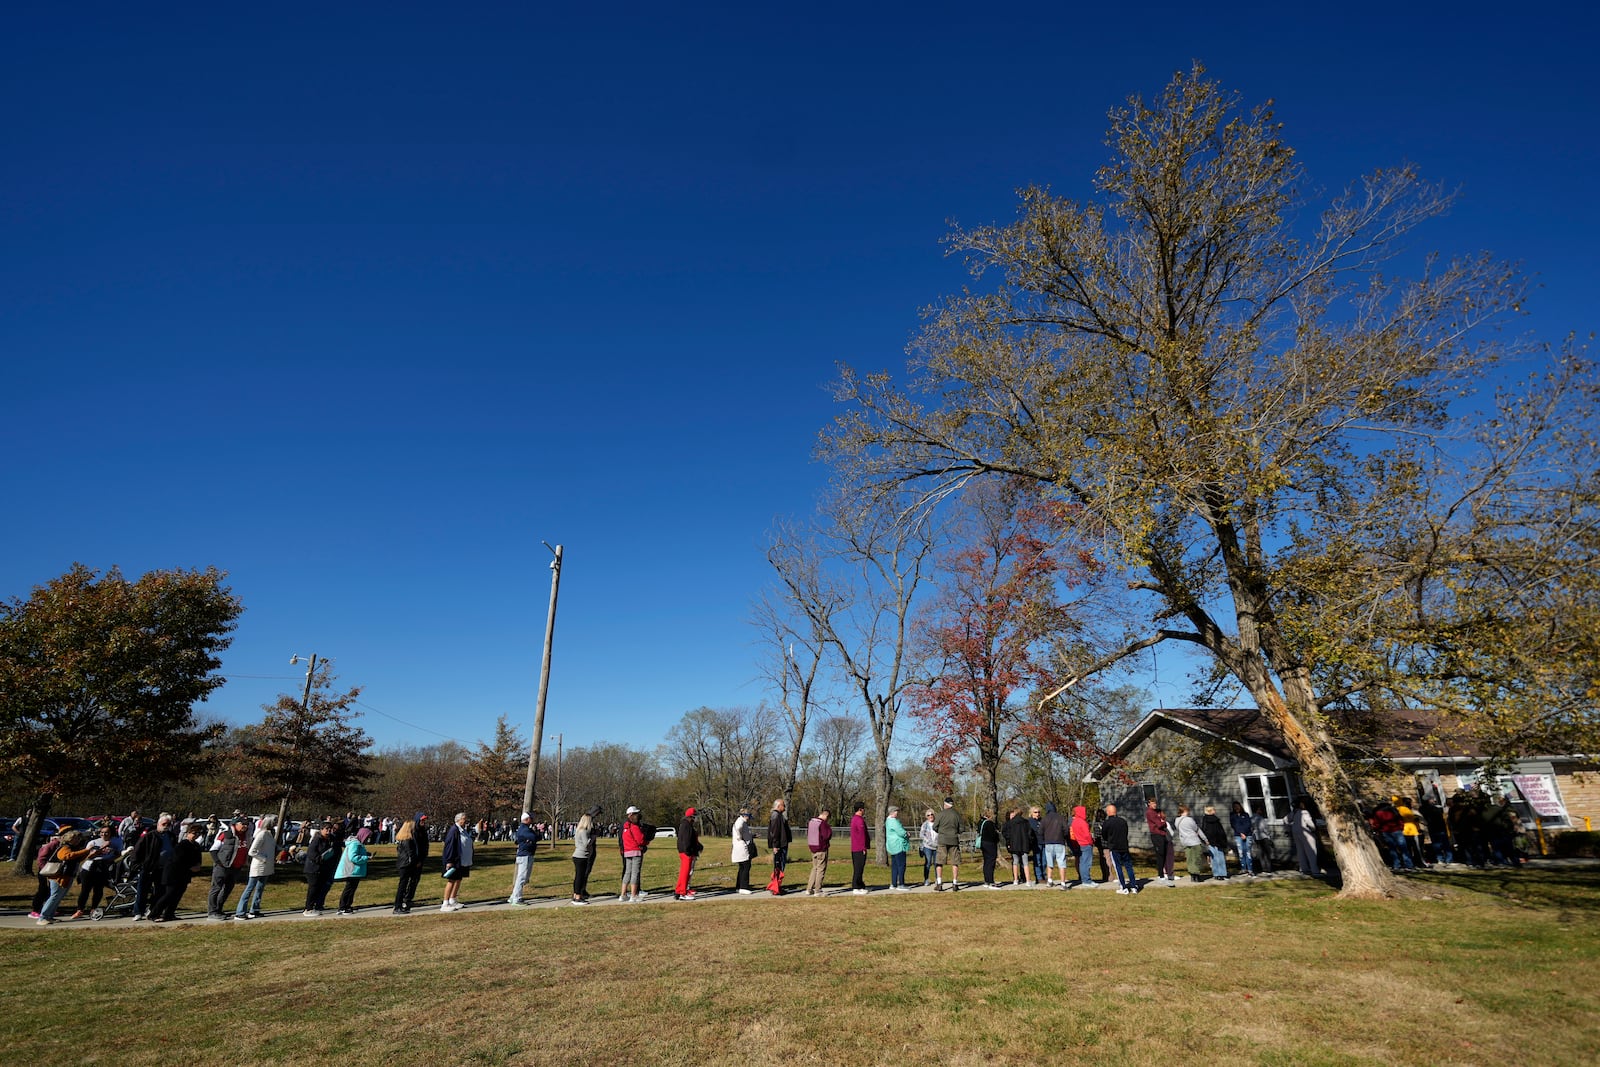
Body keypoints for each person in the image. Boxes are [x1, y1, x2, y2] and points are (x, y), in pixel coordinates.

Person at [38, 831, 99, 925]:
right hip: (58, 877)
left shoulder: (73, 848)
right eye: (76, 838)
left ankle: (49, 916)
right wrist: (86, 850)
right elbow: (66, 856)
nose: (79, 840)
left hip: (67, 876)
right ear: (70, 839)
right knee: (54, 896)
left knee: (58, 897)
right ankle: (42, 917)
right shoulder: (65, 847)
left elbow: (77, 859)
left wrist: (89, 853)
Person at [150, 824, 205, 923]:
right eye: (193, 833)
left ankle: (169, 914)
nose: (195, 835)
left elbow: (198, 859)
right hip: (173, 873)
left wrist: (198, 866)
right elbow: (178, 860)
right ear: (188, 833)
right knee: (169, 894)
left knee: (178, 895)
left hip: (184, 875)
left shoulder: (196, 845)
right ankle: (154, 914)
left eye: (198, 834)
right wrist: (191, 866)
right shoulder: (182, 844)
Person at [207, 815, 253, 920]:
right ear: (235, 824)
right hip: (223, 866)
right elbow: (213, 849)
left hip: (236, 867)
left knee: (227, 889)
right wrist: (219, 863)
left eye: (246, 824)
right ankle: (212, 912)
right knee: (216, 888)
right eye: (242, 824)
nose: (245, 826)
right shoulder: (226, 835)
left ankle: (218, 909)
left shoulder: (246, 836)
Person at [132, 813, 175, 921]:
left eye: (168, 824)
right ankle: (138, 912)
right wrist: (138, 865)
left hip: (163, 869)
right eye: (164, 824)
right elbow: (137, 851)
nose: (166, 826)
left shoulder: (171, 836)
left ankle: (152, 909)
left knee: (160, 891)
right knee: (142, 890)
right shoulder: (149, 836)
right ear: (158, 824)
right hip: (148, 868)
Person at [71, 824, 120, 919]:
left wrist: (110, 859)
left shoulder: (115, 842)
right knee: (85, 890)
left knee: (98, 890)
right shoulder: (93, 842)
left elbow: (117, 853)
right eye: (102, 832)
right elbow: (88, 856)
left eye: (106, 832)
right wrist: (102, 848)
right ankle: (80, 910)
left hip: (102, 868)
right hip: (89, 868)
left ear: (111, 833)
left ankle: (94, 909)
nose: (104, 834)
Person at [234, 814, 277, 919]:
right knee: (250, 888)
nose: (276, 824)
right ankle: (240, 911)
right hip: (259, 866)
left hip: (267, 867)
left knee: (260, 888)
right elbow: (252, 851)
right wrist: (264, 858)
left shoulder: (270, 834)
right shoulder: (261, 834)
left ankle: (254, 909)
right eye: (275, 822)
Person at [302, 823, 339, 916]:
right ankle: (308, 908)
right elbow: (311, 854)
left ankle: (317, 906)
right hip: (313, 868)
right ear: (321, 829)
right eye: (326, 829)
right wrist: (320, 859)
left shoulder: (331, 839)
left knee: (320, 888)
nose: (328, 831)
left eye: (330, 829)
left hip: (323, 868)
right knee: (313, 888)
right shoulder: (317, 840)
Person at [440, 812, 473, 911]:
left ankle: (452, 899)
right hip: (454, 860)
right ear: (459, 820)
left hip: (462, 860)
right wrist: (449, 861)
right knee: (452, 880)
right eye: (464, 819)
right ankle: (445, 903)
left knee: (458, 879)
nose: (466, 821)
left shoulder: (463, 830)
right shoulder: (454, 830)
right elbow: (450, 846)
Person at [1101, 804, 1138, 894]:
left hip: (1114, 848)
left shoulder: (1107, 823)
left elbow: (1104, 835)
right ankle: (1133, 886)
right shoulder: (1123, 821)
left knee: (1118, 868)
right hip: (1124, 846)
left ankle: (1123, 887)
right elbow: (1126, 832)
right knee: (1129, 867)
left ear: (1108, 812)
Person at [392, 818, 424, 914]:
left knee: (403, 885)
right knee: (403, 886)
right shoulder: (408, 840)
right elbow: (411, 853)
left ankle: (400, 904)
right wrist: (415, 863)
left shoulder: (402, 839)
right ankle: (397, 906)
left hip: (402, 863)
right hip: (406, 865)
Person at [334, 829, 370, 914]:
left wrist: (366, 854)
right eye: (367, 837)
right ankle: (343, 907)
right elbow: (353, 857)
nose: (368, 839)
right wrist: (366, 858)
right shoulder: (355, 844)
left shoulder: (358, 844)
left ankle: (347, 905)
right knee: (349, 889)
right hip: (352, 870)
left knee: (352, 889)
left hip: (355, 871)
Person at [508, 814, 539, 905]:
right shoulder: (524, 829)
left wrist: (531, 839)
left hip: (526, 855)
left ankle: (514, 896)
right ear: (526, 819)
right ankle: (516, 898)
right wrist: (531, 839)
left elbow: (535, 837)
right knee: (521, 877)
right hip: (525, 856)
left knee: (522, 877)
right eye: (531, 818)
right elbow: (535, 837)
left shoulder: (525, 829)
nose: (532, 820)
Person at [571, 806, 600, 904]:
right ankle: (578, 896)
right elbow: (586, 843)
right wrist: (593, 837)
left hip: (580, 855)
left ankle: (576, 894)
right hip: (581, 856)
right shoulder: (583, 831)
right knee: (580, 876)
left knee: (579, 876)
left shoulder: (579, 830)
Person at [933, 796, 962, 891]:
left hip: (942, 840)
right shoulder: (957, 815)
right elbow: (961, 829)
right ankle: (955, 883)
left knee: (939, 862)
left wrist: (941, 831)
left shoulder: (941, 814)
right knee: (955, 862)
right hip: (953, 840)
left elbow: (934, 827)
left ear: (945, 804)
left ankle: (939, 883)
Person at [674, 807, 703, 900]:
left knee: (684, 872)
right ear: (690, 816)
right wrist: (688, 851)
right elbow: (686, 840)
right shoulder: (686, 826)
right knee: (685, 873)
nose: (695, 818)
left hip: (685, 852)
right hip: (686, 852)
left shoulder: (686, 825)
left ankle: (678, 890)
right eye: (694, 816)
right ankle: (683, 893)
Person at [1289, 797, 1321, 876]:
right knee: (1311, 852)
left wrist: (1289, 828)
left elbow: (1285, 820)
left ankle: (1304, 869)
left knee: (1301, 851)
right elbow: (1309, 823)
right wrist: (1313, 829)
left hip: (1296, 833)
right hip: (1306, 833)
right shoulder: (1304, 812)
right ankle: (1315, 870)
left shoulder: (1294, 813)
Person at [620, 807, 647, 902]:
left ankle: (623, 894)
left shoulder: (625, 827)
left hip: (627, 852)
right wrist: (645, 843)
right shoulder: (634, 827)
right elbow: (640, 839)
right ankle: (633, 895)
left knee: (627, 872)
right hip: (635, 851)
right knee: (635, 873)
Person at [1001, 807, 1032, 887]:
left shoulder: (1010, 823)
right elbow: (1030, 834)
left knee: (1015, 862)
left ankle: (1015, 880)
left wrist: (1009, 842)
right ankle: (1028, 880)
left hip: (1014, 845)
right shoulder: (1026, 822)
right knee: (1025, 862)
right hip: (1024, 844)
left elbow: (1007, 834)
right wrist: (1029, 843)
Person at [1039, 802, 1069, 886]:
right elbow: (1066, 829)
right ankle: (1063, 883)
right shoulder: (1060, 818)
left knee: (1049, 863)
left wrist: (1043, 839)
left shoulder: (1044, 819)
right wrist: (1064, 837)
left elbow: (1040, 831)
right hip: (1059, 842)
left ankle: (1049, 880)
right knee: (1061, 863)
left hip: (1048, 843)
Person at [805, 806, 833, 896]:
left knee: (814, 868)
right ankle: (818, 890)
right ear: (827, 816)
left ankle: (809, 889)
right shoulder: (823, 824)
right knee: (821, 869)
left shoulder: (811, 822)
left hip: (813, 848)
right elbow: (826, 836)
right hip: (821, 848)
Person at [767, 798, 792, 896]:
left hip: (782, 844)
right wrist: (775, 845)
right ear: (778, 806)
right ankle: (775, 888)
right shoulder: (776, 816)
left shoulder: (779, 815)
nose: (784, 807)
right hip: (780, 845)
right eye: (783, 805)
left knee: (780, 867)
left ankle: (778, 886)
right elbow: (775, 832)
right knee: (779, 867)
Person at [1175, 805, 1205, 881]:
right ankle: (1196, 874)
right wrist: (1205, 839)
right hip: (1194, 841)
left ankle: (1192, 874)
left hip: (1185, 841)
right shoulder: (1189, 819)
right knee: (1197, 858)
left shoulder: (1177, 820)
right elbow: (1197, 829)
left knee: (1190, 858)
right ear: (1185, 811)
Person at [1199, 806, 1231, 880]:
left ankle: (1216, 874)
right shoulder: (1215, 820)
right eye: (1213, 809)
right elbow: (1220, 831)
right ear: (1210, 811)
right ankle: (1222, 874)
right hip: (1217, 841)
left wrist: (1206, 840)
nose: (1215, 810)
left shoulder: (1205, 820)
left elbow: (1204, 830)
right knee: (1220, 857)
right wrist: (1223, 840)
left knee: (1214, 858)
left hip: (1210, 841)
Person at [732, 807, 757, 894]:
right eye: (748, 816)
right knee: (746, 866)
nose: (749, 818)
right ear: (745, 815)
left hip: (741, 846)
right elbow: (738, 828)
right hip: (742, 847)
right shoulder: (740, 822)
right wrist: (739, 837)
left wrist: (752, 835)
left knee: (742, 867)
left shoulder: (742, 822)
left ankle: (739, 886)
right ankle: (744, 887)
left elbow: (745, 833)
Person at [1069, 804, 1095, 887]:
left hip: (1079, 843)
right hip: (1086, 843)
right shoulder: (1082, 822)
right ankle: (1086, 880)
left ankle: (1084, 879)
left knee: (1082, 862)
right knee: (1086, 863)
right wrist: (1091, 842)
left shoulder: (1074, 822)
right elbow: (1087, 834)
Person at [884, 805, 909, 890]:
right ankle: (901, 884)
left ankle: (893, 883)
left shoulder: (887, 821)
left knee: (894, 866)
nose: (897, 813)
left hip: (892, 846)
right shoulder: (894, 821)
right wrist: (907, 834)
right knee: (901, 865)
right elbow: (900, 832)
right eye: (896, 811)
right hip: (898, 845)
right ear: (892, 812)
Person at [848, 801, 871, 894]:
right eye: (863, 808)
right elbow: (861, 835)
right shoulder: (858, 820)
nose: (864, 810)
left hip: (855, 848)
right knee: (858, 868)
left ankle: (861, 885)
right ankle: (856, 887)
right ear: (860, 809)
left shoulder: (854, 819)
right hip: (858, 848)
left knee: (860, 868)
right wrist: (863, 847)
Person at [919, 810, 938, 886]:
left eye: (932, 814)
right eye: (928, 815)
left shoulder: (937, 823)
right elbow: (921, 835)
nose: (930, 816)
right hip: (927, 847)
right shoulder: (925, 825)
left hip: (937, 846)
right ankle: (926, 879)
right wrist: (928, 842)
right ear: (926, 817)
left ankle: (938, 879)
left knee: (937, 863)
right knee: (928, 862)